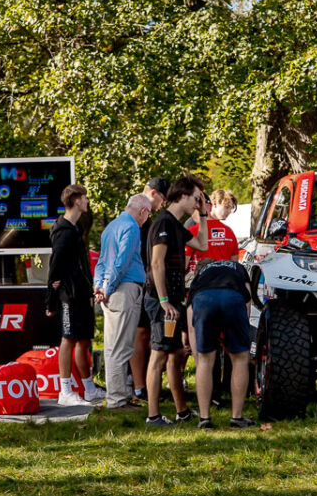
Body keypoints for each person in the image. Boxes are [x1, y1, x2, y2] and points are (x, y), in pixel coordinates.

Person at [144, 175, 207, 425]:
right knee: (159, 353)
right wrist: (163, 300)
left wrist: (202, 214)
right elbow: (156, 262)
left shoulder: (174, 223)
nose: (198, 202)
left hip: (173, 300)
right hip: (162, 301)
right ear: (182, 196)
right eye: (195, 197)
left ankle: (181, 411)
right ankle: (153, 415)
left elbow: (202, 244)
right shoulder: (163, 222)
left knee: (176, 352)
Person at [94, 194, 152, 411]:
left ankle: (115, 397)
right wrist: (107, 288)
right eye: (148, 214)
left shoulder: (111, 226)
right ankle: (117, 401)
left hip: (111, 289)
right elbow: (123, 261)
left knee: (111, 346)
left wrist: (99, 287)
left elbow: (101, 262)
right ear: (143, 211)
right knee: (121, 347)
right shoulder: (132, 227)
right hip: (124, 288)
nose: (147, 219)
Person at [187, 255, 255, 428]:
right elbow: (247, 298)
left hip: (203, 299)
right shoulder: (238, 268)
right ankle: (237, 418)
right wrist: (241, 338)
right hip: (233, 296)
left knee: (205, 360)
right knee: (239, 359)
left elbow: (191, 324)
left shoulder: (200, 276)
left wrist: (197, 354)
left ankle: (204, 419)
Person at [48, 184, 96, 400]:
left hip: (81, 293)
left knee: (84, 339)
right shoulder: (63, 232)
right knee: (68, 339)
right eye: (85, 198)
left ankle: (89, 388)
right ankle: (64, 391)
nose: (87, 202)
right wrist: (50, 301)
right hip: (69, 294)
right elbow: (54, 267)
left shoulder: (74, 228)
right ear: (76, 200)